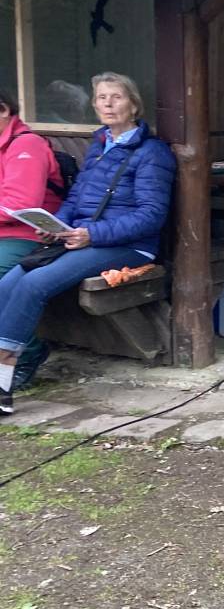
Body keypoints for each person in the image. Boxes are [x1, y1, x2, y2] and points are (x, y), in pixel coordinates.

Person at [0, 73, 175, 415]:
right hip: (81, 238)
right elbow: (77, 197)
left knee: (34, 283)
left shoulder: (152, 152)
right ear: (93, 105)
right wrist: (58, 226)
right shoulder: (99, 145)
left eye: (116, 97)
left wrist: (93, 235)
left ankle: (3, 376)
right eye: (101, 98)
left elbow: (151, 215)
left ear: (133, 104)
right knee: (7, 283)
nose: (108, 104)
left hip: (127, 245)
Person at [0, 89, 66, 388]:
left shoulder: (27, 144)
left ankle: (28, 354)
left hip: (30, 235)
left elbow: (18, 203)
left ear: (3, 110)